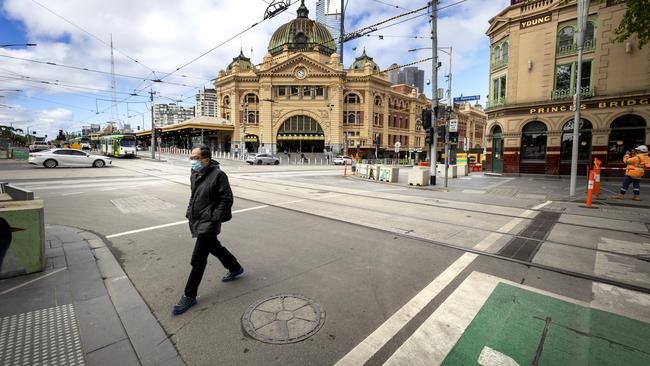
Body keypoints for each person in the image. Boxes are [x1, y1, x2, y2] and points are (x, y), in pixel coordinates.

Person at [172, 145, 244, 315]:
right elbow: (194, 194)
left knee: (197, 260)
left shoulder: (218, 175)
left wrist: (214, 217)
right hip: (197, 219)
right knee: (215, 247)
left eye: (195, 158)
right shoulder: (194, 172)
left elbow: (226, 199)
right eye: (191, 157)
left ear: (206, 159)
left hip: (209, 222)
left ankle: (189, 295)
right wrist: (190, 211)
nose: (192, 161)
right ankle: (235, 267)